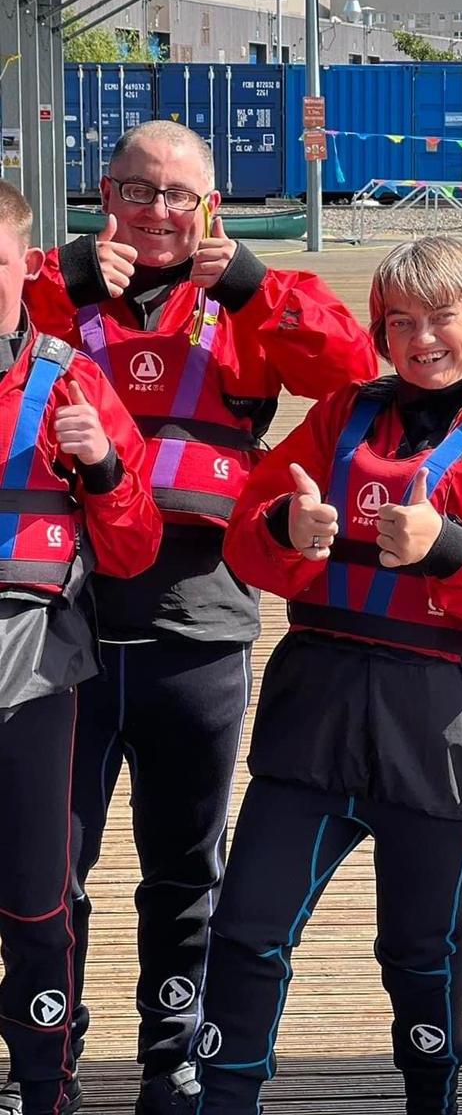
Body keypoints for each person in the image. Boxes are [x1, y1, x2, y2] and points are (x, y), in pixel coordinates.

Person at [21, 121, 378, 1114]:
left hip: (202, 613)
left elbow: (351, 373)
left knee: (185, 860)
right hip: (69, 609)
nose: (158, 211)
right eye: (138, 190)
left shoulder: (244, 302)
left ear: (211, 205)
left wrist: (263, 283)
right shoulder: (54, 286)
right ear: (104, 193)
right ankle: (46, 1047)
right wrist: (66, 278)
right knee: (54, 859)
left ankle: (171, 1052)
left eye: (180, 194)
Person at [193, 237, 462, 1114]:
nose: (421, 339)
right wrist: (288, 536)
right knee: (248, 925)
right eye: (399, 322)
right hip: (315, 715)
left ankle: (431, 1097)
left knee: (420, 945)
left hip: (439, 725)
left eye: (441, 316)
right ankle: (224, 1096)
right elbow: (249, 531)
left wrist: (448, 548)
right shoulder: (341, 414)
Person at [0, 181, 161, 1115]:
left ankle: (42, 1081)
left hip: (35, 668)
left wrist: (101, 462)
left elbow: (134, 547)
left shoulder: (71, 379)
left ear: (28, 267)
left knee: (35, 899)